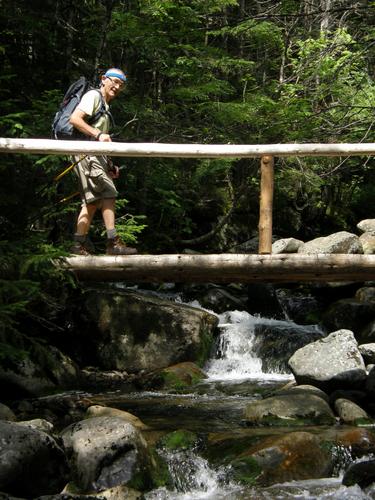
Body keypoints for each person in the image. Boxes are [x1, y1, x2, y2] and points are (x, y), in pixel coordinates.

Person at [69, 67, 137, 256]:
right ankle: (112, 242)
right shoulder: (93, 96)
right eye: (114, 82)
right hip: (86, 153)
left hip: (94, 155)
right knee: (108, 192)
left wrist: (110, 165)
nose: (117, 87)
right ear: (103, 79)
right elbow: (74, 119)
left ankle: (77, 245)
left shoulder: (105, 107)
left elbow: (102, 140)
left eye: (121, 85)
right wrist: (98, 134)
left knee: (92, 201)